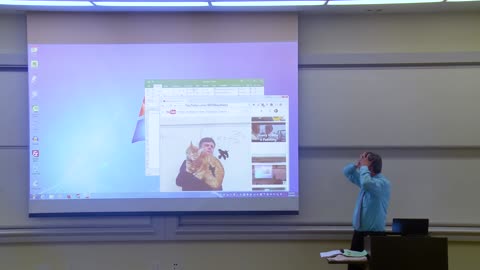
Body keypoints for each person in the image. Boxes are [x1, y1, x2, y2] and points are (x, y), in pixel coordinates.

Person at [343, 152, 391, 270]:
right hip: (359, 233)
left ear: (371, 166)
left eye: (365, 162)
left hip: (374, 236)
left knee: (373, 266)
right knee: (354, 267)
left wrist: (364, 168)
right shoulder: (367, 180)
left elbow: (366, 183)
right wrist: (357, 165)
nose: (362, 164)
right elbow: (347, 172)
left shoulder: (382, 183)